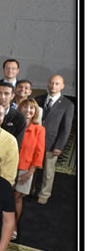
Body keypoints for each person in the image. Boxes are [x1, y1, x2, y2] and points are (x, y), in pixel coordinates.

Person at [35, 74, 74, 205]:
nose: (53, 86)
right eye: (51, 83)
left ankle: (44, 194)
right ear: (47, 84)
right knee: (31, 168)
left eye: (57, 84)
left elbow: (66, 128)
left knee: (48, 172)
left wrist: (60, 146)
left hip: (52, 144)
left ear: (62, 86)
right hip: (35, 141)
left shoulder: (68, 105)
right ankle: (29, 189)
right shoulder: (38, 99)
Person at [13, 99, 45, 239]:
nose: (28, 110)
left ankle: (13, 227)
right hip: (9, 167)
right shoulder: (13, 124)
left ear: (35, 112)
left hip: (25, 170)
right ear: (19, 109)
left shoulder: (39, 129)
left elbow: (39, 153)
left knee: (17, 198)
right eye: (25, 107)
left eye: (32, 108)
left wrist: (30, 173)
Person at [0, 82, 27, 148]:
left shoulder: (19, 118)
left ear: (12, 96)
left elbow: (17, 144)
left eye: (6, 94)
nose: (2, 97)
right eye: (0, 93)